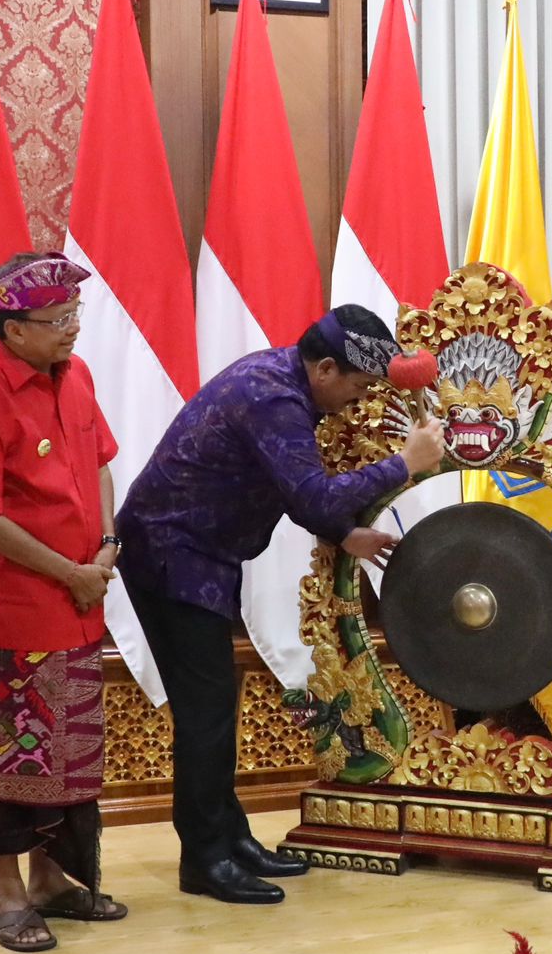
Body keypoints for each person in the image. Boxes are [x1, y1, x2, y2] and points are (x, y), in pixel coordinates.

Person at [116, 304, 445, 904]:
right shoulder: (273, 397)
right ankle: (205, 859)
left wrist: (345, 534)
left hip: (200, 554)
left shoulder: (283, 382)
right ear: (324, 368)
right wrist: (404, 464)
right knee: (204, 712)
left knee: (215, 706)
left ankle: (229, 837)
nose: (358, 399)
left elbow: (291, 489)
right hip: (171, 554)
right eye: (359, 385)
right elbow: (313, 496)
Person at [0, 252, 127, 954]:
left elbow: (103, 462)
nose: (71, 331)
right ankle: (9, 898)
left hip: (81, 605)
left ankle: (55, 880)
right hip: (14, 617)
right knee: (14, 760)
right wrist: (71, 572)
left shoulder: (76, 376)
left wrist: (108, 544)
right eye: (56, 320)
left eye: (74, 316)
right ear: (12, 328)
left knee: (71, 756)